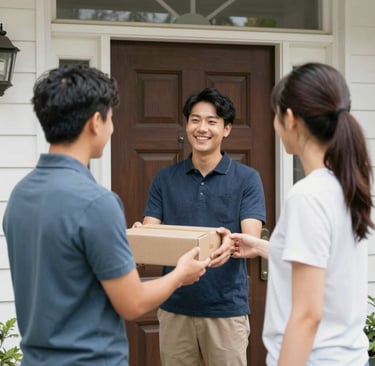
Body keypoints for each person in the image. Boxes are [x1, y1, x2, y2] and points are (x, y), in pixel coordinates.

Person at [2, 65, 211, 366]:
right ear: (95, 122)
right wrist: (181, 274)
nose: (113, 129)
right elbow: (132, 302)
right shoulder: (97, 203)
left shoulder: (20, 195)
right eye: (111, 118)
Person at [230, 62, 374, 366]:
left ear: (291, 119)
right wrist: (262, 247)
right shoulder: (345, 185)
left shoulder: (307, 196)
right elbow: (326, 264)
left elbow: (307, 315)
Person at [138, 87, 266, 366]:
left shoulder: (247, 179)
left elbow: (251, 239)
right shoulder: (164, 178)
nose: (202, 128)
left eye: (212, 121)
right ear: (186, 125)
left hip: (225, 311)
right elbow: (150, 233)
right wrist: (140, 236)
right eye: (195, 120)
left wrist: (229, 245)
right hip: (175, 308)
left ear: (227, 129)